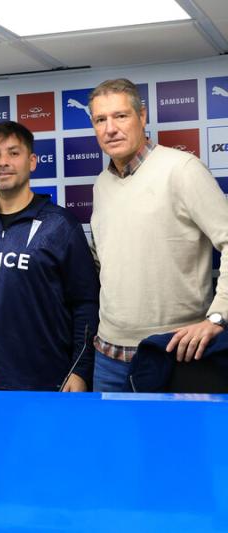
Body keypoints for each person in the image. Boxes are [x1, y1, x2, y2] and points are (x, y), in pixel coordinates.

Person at [89, 78, 228, 391]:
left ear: (142, 116)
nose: (110, 128)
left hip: (173, 352)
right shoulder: (101, 184)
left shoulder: (182, 169)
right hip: (109, 357)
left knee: (174, 441)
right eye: (100, 119)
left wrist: (218, 318)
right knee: (111, 442)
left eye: (120, 116)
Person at [0, 121, 99, 391]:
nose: (3, 162)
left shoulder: (60, 224)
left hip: (45, 383)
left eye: (13, 153)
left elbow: (86, 303)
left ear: (32, 161)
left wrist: (80, 370)